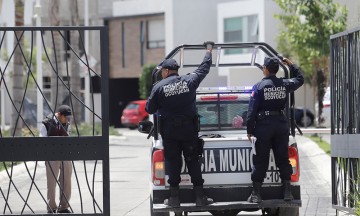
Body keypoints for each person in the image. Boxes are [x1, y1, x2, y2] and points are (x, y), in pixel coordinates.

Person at [146, 41, 215, 207]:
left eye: (163, 71)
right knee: (192, 160)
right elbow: (204, 68)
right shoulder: (189, 80)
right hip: (188, 130)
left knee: (173, 161)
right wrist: (209, 50)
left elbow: (149, 109)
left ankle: (174, 198)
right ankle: (200, 197)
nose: (162, 73)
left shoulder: (159, 87)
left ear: (167, 71)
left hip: (170, 131)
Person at [246, 56, 304, 203]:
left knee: (260, 159)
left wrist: (249, 130)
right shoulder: (284, 84)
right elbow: (300, 78)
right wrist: (290, 64)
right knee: (283, 158)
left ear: (265, 69)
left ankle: (256, 194)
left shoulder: (258, 87)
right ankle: (287, 192)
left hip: (263, 127)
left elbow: (251, 111)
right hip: (280, 125)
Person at [39, 105, 73, 213]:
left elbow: (69, 137)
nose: (68, 120)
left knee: (66, 180)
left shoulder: (67, 123)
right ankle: (51, 207)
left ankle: (64, 206)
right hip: (52, 156)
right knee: (51, 182)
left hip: (65, 155)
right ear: (59, 115)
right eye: (66, 117)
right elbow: (42, 139)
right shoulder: (46, 123)